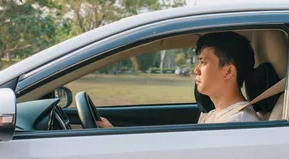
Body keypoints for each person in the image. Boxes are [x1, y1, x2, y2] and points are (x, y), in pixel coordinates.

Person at [96, 31, 260, 128]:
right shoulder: (213, 115)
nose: (196, 70)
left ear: (228, 71)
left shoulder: (238, 124)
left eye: (203, 62)